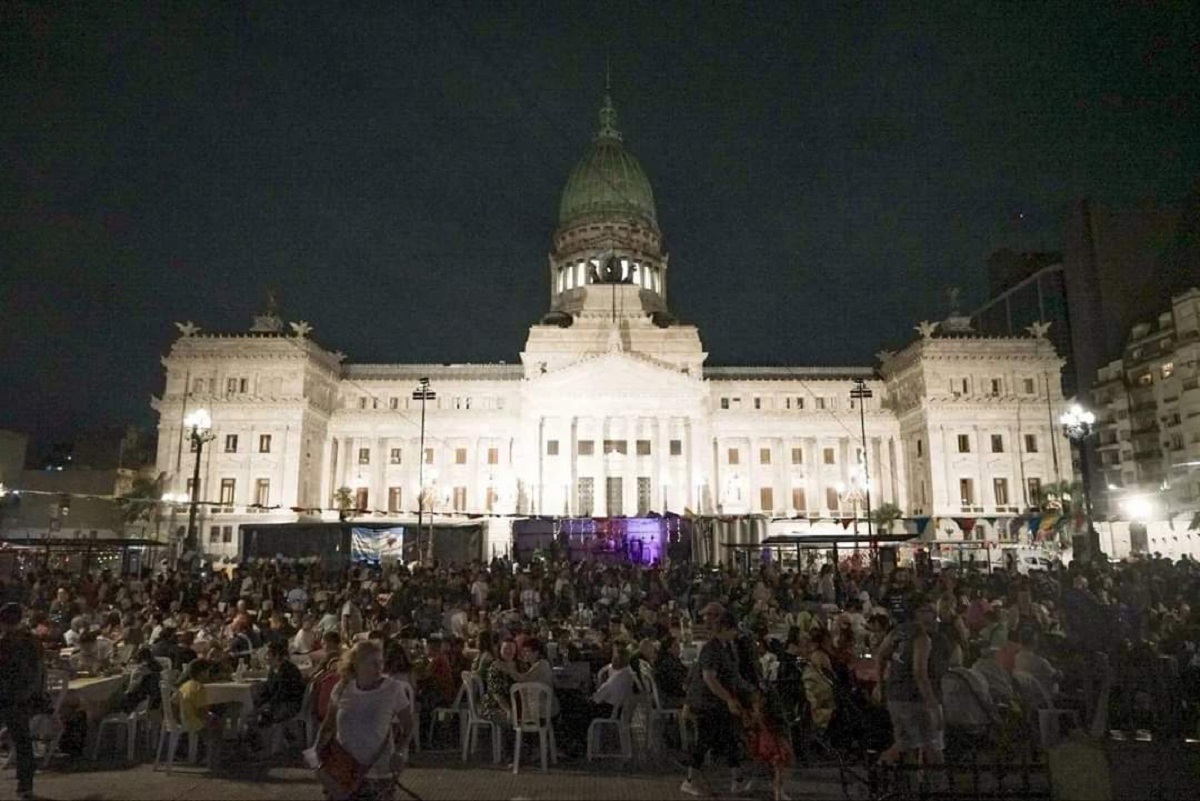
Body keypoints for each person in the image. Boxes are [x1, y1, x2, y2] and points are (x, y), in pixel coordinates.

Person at [315, 640, 411, 801]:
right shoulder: (342, 688)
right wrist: (316, 750)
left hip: (377, 770)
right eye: (373, 663)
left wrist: (400, 752)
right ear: (357, 664)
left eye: (381, 662)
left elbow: (408, 724)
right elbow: (329, 723)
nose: (379, 667)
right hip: (343, 769)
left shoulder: (393, 689)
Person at [680, 609, 754, 797]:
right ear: (724, 629)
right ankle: (689, 780)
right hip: (708, 702)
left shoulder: (727, 647)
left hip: (719, 701)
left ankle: (736, 779)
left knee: (729, 738)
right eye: (733, 629)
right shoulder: (711, 649)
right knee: (705, 740)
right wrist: (728, 698)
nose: (735, 633)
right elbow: (709, 678)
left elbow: (732, 675)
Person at [877, 593, 944, 770]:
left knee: (904, 744)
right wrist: (933, 704)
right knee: (930, 745)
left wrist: (880, 684)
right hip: (914, 698)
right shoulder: (922, 638)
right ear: (917, 613)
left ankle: (879, 772)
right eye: (927, 610)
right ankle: (941, 786)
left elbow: (881, 655)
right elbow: (919, 672)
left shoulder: (898, 631)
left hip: (895, 695)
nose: (932, 613)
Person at [0, 603, 41, 801]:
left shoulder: (5, 643)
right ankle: (26, 785)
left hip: (8, 696)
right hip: (24, 697)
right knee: (24, 742)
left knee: (22, 741)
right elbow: (39, 668)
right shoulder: (30, 641)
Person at [246, 640, 307, 754]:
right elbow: (269, 690)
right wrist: (260, 703)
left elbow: (285, 693)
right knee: (251, 716)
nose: (266, 657)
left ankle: (272, 749)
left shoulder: (288, 670)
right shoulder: (273, 670)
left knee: (266, 715)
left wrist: (267, 705)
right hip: (278, 702)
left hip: (290, 704)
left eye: (268, 654)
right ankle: (261, 747)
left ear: (277, 655)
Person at [746, 691, 794, 801]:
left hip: (767, 742)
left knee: (775, 768)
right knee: (778, 768)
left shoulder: (761, 715)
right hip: (772, 743)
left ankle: (777, 792)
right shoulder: (763, 716)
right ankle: (777, 793)